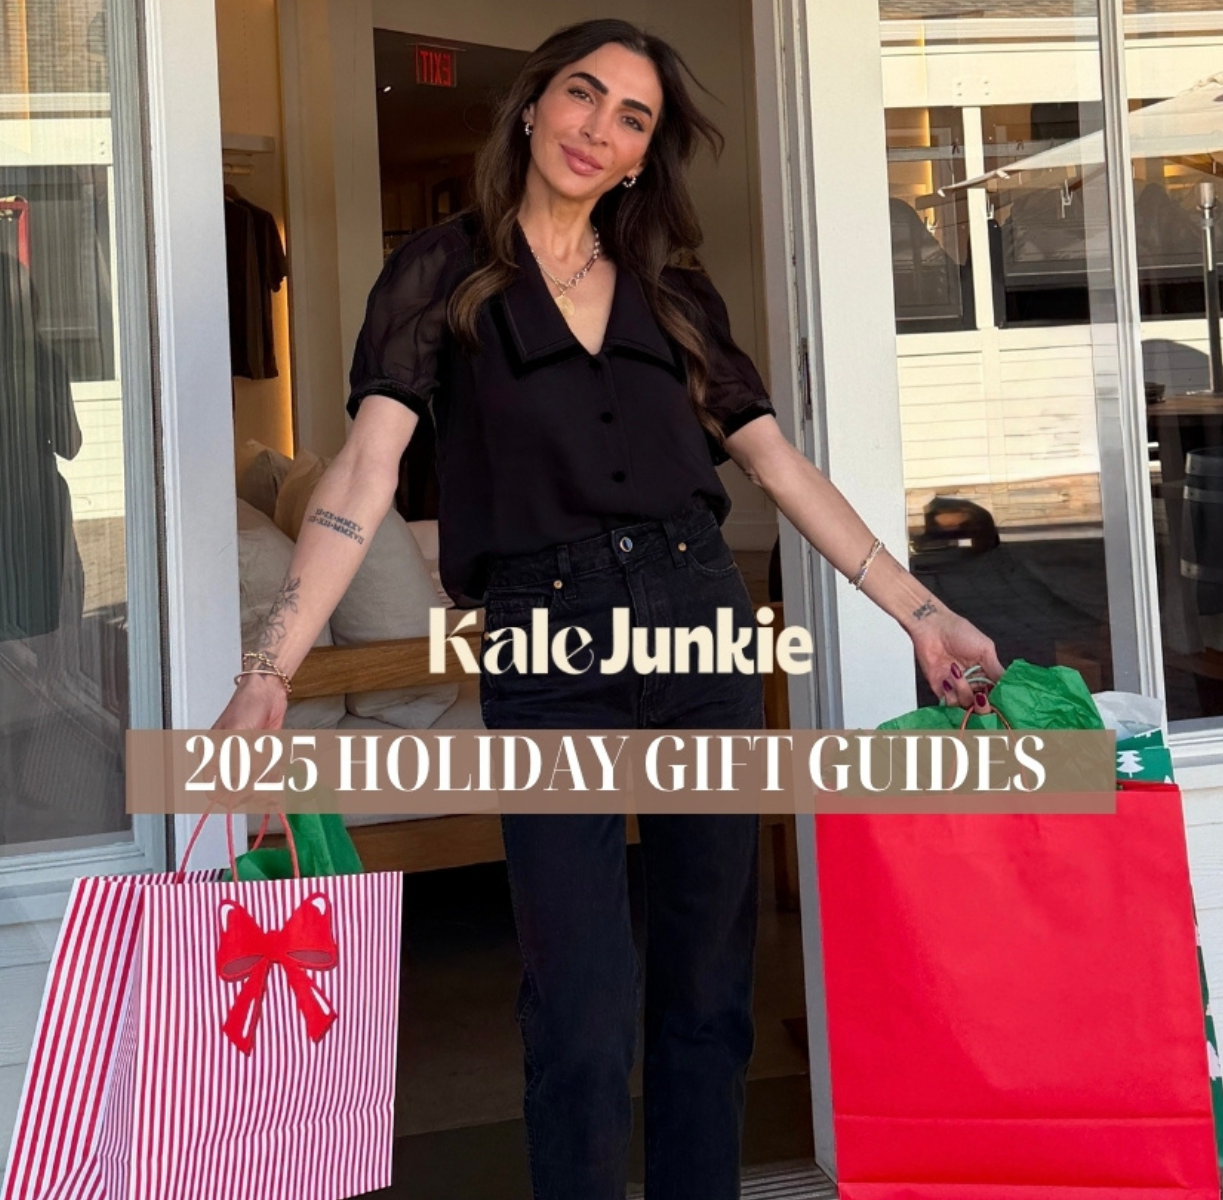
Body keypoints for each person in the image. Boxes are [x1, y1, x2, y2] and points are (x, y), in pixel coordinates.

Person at [215, 18, 1001, 1199]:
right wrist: (270, 665)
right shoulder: (442, 270)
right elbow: (365, 473)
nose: (599, 128)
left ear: (642, 156)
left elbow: (780, 471)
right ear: (533, 107)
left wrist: (919, 612)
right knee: (578, 1009)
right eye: (583, 96)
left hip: (697, 622)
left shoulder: (671, 293)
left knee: (705, 989)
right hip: (547, 637)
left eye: (631, 118)